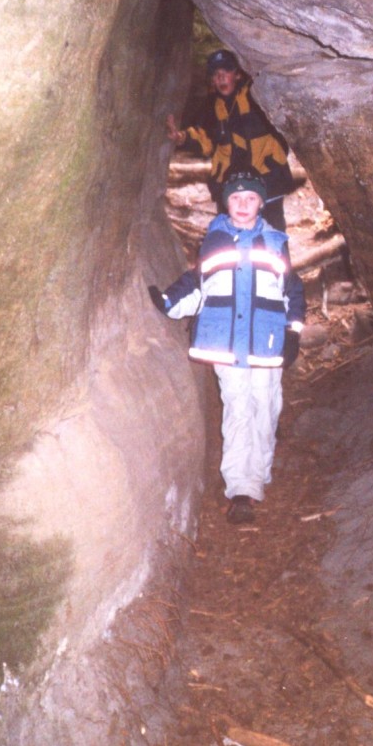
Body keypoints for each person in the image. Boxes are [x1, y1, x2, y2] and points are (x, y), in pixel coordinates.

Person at [148, 169, 305, 524]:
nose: (243, 204)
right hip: (227, 343)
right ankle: (241, 489)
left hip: (265, 345)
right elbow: (199, 283)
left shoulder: (275, 243)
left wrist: (293, 332)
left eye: (250, 198)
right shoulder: (215, 241)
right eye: (236, 197)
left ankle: (259, 472)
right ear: (225, 202)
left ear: (261, 203)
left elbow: (293, 291)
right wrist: (169, 302)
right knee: (237, 410)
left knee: (265, 408)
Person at [166, 48, 296, 231]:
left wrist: (276, 157)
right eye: (215, 74)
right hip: (229, 184)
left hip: (268, 180)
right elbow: (204, 139)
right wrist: (181, 138)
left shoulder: (257, 95)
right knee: (230, 237)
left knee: (272, 236)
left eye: (225, 71)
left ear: (237, 74)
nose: (221, 77)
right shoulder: (211, 107)